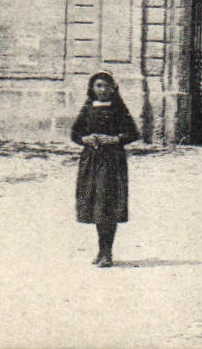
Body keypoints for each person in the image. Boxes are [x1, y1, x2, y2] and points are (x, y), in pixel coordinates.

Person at [70, 71, 140, 267]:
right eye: (99, 86)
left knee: (107, 206)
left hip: (112, 163)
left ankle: (107, 253)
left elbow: (133, 133)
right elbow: (75, 133)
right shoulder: (88, 107)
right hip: (91, 161)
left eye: (107, 86)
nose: (103, 90)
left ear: (113, 88)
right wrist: (85, 139)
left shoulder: (118, 108)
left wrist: (115, 139)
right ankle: (101, 251)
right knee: (95, 206)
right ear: (92, 88)